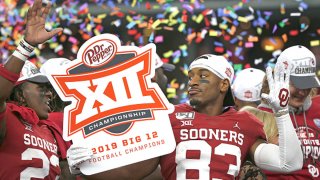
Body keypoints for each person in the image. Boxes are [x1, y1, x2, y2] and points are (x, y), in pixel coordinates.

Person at [67, 53, 303, 179]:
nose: (193, 82)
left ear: (223, 85)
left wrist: (282, 112)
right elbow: (137, 170)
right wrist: (88, 168)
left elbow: (289, 163)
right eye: (190, 76)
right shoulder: (170, 116)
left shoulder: (245, 122)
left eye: (203, 76)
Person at [0, 0, 66, 179]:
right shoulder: (8, 118)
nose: (50, 94)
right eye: (40, 88)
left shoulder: (50, 129)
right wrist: (26, 46)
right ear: (20, 94)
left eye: (48, 88)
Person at [258, 45, 320, 179]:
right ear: (278, 79)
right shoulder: (259, 117)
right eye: (296, 84)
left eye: (307, 84)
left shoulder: (318, 109)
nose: (302, 91)